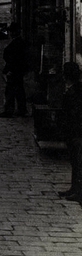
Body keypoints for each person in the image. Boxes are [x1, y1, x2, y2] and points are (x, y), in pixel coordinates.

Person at [56, 62, 82, 202]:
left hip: (76, 132)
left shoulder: (74, 92)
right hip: (73, 132)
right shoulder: (74, 89)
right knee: (74, 161)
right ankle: (74, 188)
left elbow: (73, 114)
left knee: (78, 162)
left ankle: (79, 192)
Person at [0, 30, 29, 117]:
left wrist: (9, 70)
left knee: (10, 91)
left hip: (15, 71)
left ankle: (9, 110)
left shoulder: (16, 44)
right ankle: (21, 109)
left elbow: (13, 59)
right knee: (19, 90)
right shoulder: (20, 42)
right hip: (18, 71)